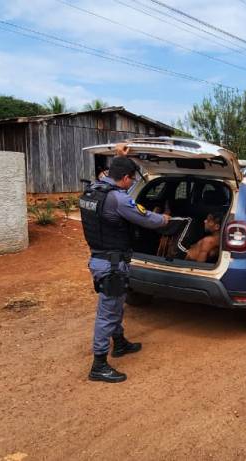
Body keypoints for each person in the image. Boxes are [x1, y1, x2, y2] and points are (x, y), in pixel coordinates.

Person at [79, 147, 168, 383]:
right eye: (131, 180)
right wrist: (165, 219)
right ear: (126, 178)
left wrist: (120, 154)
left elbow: (115, 171)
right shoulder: (117, 198)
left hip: (100, 260)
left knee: (116, 305)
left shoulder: (93, 190)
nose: (131, 184)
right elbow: (146, 218)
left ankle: (119, 343)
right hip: (112, 264)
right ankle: (98, 364)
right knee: (107, 312)